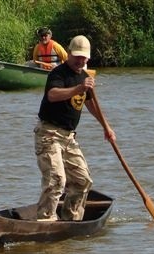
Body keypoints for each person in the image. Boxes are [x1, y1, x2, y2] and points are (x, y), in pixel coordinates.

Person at [34, 35, 116, 221]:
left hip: (68, 137)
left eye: (84, 58)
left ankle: (71, 219)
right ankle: (45, 220)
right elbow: (53, 95)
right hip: (49, 134)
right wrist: (79, 88)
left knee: (82, 181)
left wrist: (106, 127)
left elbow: (90, 104)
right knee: (57, 181)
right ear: (69, 54)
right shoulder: (58, 74)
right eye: (77, 56)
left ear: (88, 58)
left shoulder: (85, 77)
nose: (80, 61)